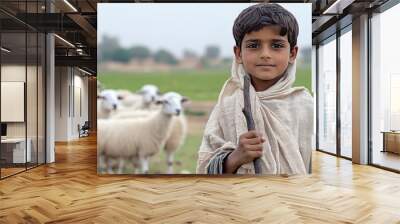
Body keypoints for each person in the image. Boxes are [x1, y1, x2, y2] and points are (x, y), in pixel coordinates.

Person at [196, 3, 313, 175]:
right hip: (241, 199)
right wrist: (235, 157)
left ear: (293, 54)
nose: (265, 54)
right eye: (253, 45)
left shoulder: (305, 105)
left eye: (276, 45)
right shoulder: (228, 106)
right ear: (238, 54)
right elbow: (204, 167)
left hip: (294, 199)